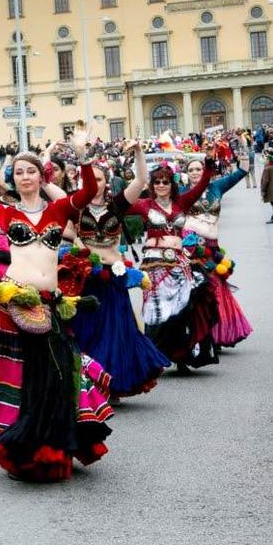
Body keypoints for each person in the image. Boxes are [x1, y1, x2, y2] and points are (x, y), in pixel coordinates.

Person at [0, 131, 110, 482]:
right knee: (17, 380)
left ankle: (56, 442)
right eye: (18, 172)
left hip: (49, 304)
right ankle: (19, 446)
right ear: (12, 179)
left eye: (30, 171)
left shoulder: (59, 210)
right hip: (13, 306)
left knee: (56, 377)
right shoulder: (2, 212)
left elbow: (90, 192)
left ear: (42, 176)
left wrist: (83, 156)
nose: (25, 177)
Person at [66, 142, 171, 400]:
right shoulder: (75, 207)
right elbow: (51, 199)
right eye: (90, 178)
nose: (94, 182)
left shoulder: (117, 206)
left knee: (115, 330)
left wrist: (137, 152)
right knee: (86, 329)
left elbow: (142, 179)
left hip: (112, 275)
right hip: (86, 276)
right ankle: (88, 383)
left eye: (99, 178)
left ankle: (111, 382)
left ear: (106, 181)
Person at [127, 151, 215, 370]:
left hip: (178, 261)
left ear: (171, 183)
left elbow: (200, 187)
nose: (161, 185)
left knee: (184, 307)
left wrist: (209, 167)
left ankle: (182, 356)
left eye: (165, 181)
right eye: (157, 182)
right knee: (157, 311)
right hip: (155, 264)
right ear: (152, 184)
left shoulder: (181, 202)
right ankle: (154, 357)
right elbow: (120, 205)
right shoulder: (144, 205)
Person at [181, 154, 252, 349]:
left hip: (212, 247)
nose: (195, 172)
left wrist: (243, 150)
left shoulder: (216, 187)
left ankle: (217, 332)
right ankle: (199, 333)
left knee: (216, 288)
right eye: (191, 170)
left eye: (199, 169)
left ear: (205, 171)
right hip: (190, 249)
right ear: (186, 174)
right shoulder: (181, 192)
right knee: (196, 291)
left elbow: (242, 171)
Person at [262, 154, 273, 223]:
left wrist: (263, 190)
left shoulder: (267, 169)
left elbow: (265, 180)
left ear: (269, 160)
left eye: (266, 159)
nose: (265, 161)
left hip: (269, 189)